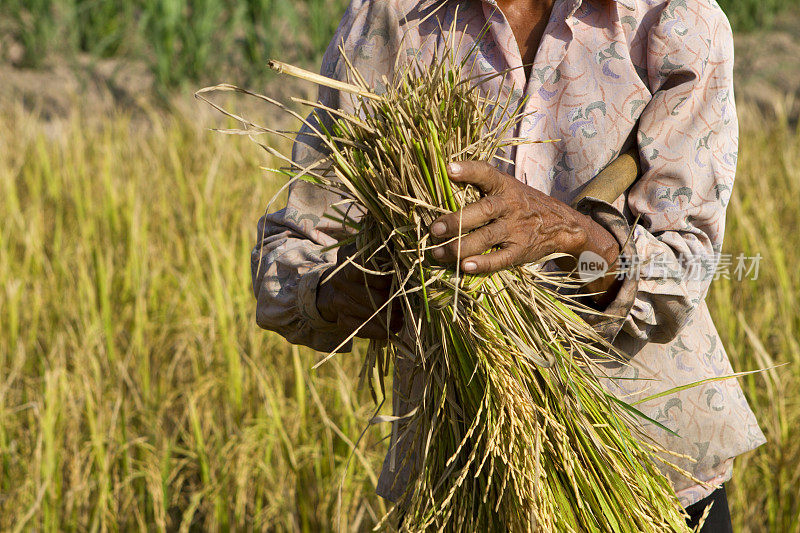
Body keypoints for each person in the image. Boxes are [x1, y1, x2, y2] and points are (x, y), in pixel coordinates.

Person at [251, 0, 765, 529]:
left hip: (651, 477)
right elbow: (289, 262)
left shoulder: (673, 18)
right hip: (464, 476)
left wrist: (569, 234)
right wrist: (364, 289)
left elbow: (682, 273)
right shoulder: (393, 16)